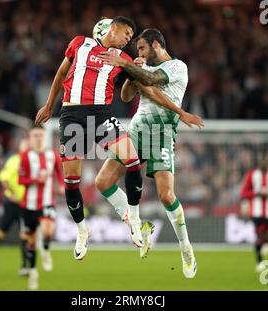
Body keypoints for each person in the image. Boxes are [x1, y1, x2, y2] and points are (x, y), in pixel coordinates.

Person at [35, 16, 145, 261]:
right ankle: (82, 231)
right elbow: (62, 72)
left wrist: (135, 68)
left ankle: (134, 218)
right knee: (71, 181)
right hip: (72, 115)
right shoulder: (80, 43)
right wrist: (48, 104)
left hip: (100, 115)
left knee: (133, 161)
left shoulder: (123, 59)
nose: (128, 40)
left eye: (131, 37)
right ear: (113, 28)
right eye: (127, 34)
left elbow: (131, 90)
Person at [96, 28, 202, 278]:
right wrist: (131, 71)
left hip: (161, 132)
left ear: (156, 45)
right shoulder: (141, 68)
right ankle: (138, 225)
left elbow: (153, 82)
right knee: (102, 181)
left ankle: (185, 247)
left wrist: (128, 65)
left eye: (142, 48)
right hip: (136, 130)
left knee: (166, 196)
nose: (139, 53)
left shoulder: (177, 67)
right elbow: (124, 95)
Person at [18, 126, 64, 290]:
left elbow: (59, 172)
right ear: (30, 138)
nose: (38, 138)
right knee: (30, 242)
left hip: (47, 202)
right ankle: (32, 272)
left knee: (48, 231)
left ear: (44, 136)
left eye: (40, 135)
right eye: (35, 135)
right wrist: (36, 180)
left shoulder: (52, 154)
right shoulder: (25, 156)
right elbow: (20, 180)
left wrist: (61, 185)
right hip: (29, 205)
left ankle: (45, 250)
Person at [0, 138, 30, 276]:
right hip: (12, 204)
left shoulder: (31, 162)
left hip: (25, 204)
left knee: (25, 233)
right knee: (2, 233)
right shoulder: (14, 161)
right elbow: (3, 178)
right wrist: (12, 193)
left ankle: (24, 266)